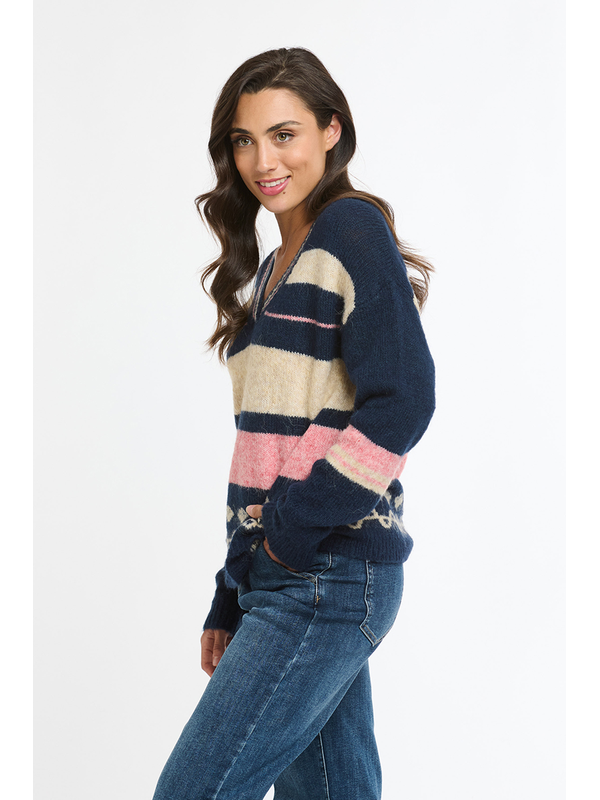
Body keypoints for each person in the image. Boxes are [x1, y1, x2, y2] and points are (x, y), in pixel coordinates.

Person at [152, 47, 436, 800]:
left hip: (329, 570)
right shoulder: (276, 268)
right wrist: (232, 586)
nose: (263, 161)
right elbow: (267, 446)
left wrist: (295, 529)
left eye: (285, 135)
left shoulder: (351, 229)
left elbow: (404, 399)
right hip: (288, 569)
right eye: (244, 140)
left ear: (331, 131)